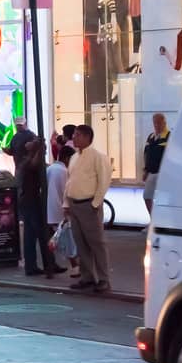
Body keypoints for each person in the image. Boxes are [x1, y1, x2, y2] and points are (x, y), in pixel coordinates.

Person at [64, 124, 113, 293]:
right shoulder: (74, 157)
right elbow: (69, 181)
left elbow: (104, 180)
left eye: (77, 135)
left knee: (96, 243)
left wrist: (95, 203)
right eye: (74, 135)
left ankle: (104, 278)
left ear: (86, 137)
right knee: (81, 243)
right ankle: (87, 276)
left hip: (89, 204)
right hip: (74, 204)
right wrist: (66, 203)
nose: (74, 138)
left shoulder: (98, 157)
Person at [18, 140, 55, 278]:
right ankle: (42, 265)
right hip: (31, 201)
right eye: (44, 151)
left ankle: (36, 265)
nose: (45, 153)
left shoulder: (26, 162)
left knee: (32, 234)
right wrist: (40, 148)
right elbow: (35, 165)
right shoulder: (31, 164)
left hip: (29, 201)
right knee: (37, 232)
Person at [48, 145, 75, 276]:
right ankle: (75, 266)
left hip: (49, 210)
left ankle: (51, 265)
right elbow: (67, 192)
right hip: (59, 210)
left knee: (56, 239)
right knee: (67, 240)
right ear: (67, 158)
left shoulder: (51, 168)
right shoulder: (64, 172)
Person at [142, 113, 171, 215]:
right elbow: (146, 154)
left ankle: (163, 221)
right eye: (155, 123)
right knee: (147, 196)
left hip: (163, 174)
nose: (157, 125)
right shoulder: (151, 137)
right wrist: (145, 170)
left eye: (159, 123)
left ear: (164, 123)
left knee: (163, 200)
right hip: (151, 173)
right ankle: (153, 220)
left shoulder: (169, 136)